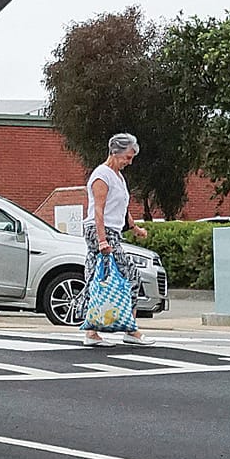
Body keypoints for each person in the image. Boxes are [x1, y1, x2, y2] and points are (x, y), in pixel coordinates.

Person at [83, 132, 150, 347]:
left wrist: (134, 227)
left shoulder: (117, 177)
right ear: (115, 152)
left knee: (97, 279)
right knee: (130, 276)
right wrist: (103, 241)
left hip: (111, 231)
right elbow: (99, 211)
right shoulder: (102, 175)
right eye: (127, 157)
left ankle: (92, 331)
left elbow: (122, 206)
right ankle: (130, 328)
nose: (129, 162)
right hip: (100, 231)